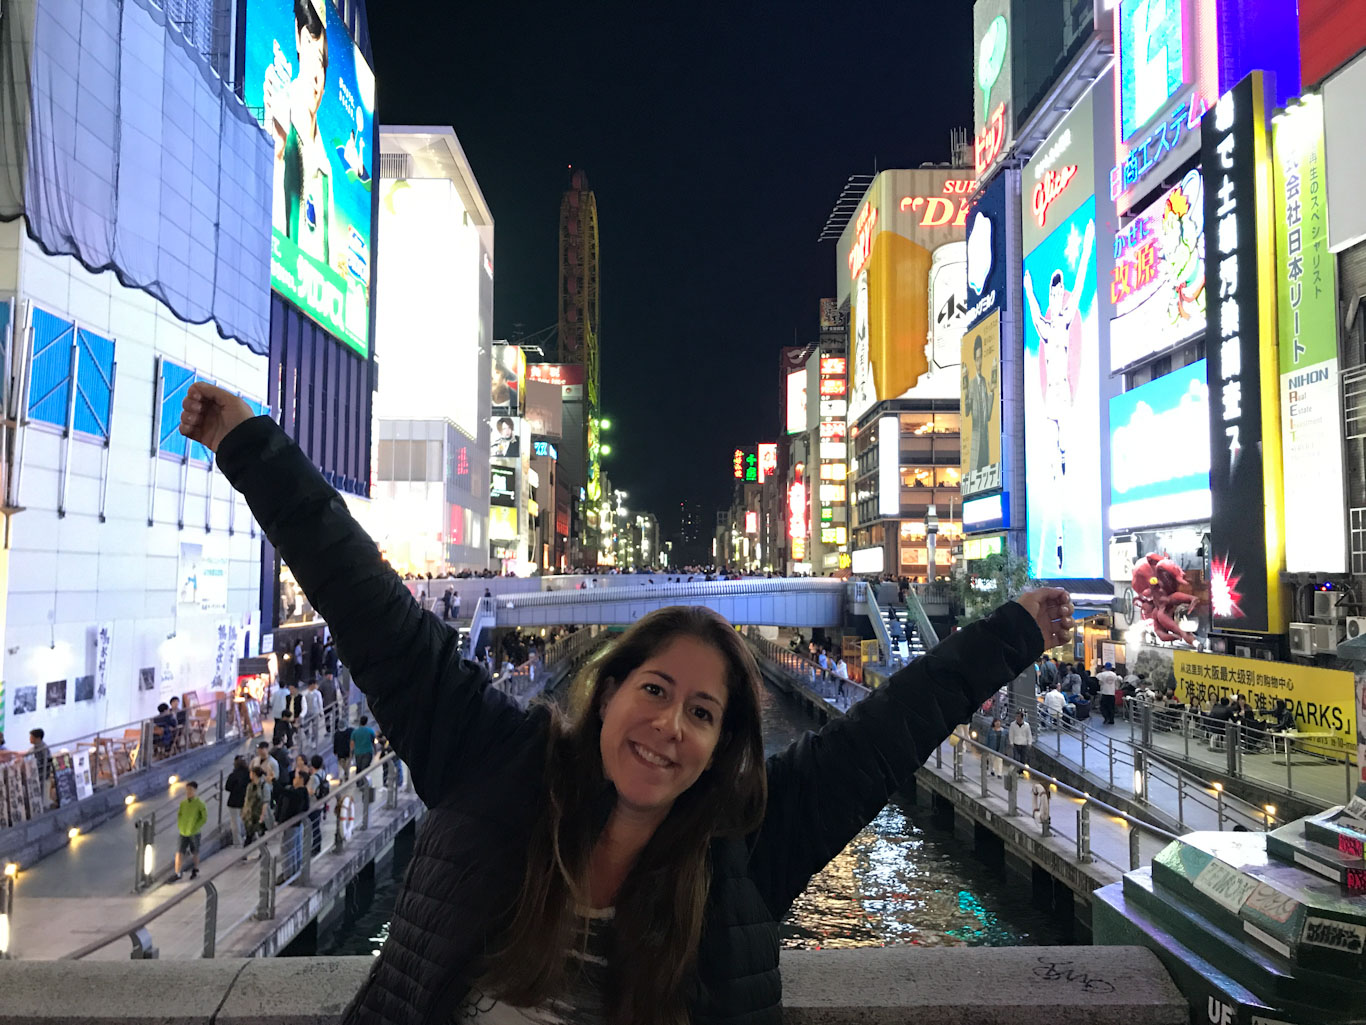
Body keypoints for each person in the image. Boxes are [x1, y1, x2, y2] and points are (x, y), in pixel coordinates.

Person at [178, 380, 1072, 1025]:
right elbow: (374, 613)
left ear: (721, 744)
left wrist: (1014, 632)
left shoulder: (747, 847)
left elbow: (883, 734)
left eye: (702, 713)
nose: (670, 726)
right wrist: (252, 445)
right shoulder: (494, 761)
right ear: (606, 693)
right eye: (655, 689)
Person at [1024, 217, 1096, 572]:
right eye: (1052, 294)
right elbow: (1033, 308)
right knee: (1054, 467)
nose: (1055, 297)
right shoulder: (1044, 324)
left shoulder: (1065, 319)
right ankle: (1058, 541)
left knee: (1064, 456)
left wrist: (1088, 244)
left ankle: (1065, 461)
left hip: (1064, 396)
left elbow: (1081, 281)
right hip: (1050, 401)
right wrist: (1027, 287)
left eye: (1057, 293)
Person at [264, 0, 335, 266]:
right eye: (313, 57)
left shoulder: (326, 166)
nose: (318, 76)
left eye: (322, 63)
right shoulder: (279, 119)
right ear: (298, 39)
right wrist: (277, 151)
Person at [170, 781, 207, 882]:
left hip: (194, 832)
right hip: (183, 831)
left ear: (195, 791)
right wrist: (180, 825)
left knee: (195, 851)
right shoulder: (183, 803)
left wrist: (195, 827)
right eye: (187, 790)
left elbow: (204, 818)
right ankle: (177, 872)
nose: (188, 792)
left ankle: (195, 869)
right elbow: (180, 815)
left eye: (190, 790)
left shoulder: (200, 804)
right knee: (179, 852)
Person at [225, 755, 250, 846]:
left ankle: (237, 842)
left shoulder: (233, 775)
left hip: (233, 801)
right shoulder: (249, 774)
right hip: (246, 800)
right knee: (247, 820)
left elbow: (227, 787)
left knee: (235, 822)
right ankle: (250, 837)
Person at [243, 766, 269, 846]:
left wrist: (262, 815)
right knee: (249, 834)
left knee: (260, 833)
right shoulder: (250, 786)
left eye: (251, 773)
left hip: (259, 813)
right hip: (250, 814)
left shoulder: (264, 786)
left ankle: (263, 850)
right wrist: (245, 812)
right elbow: (247, 800)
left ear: (254, 774)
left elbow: (266, 801)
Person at [28, 729, 52, 808]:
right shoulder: (35, 747)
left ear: (38, 738)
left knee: (44, 796)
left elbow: (47, 762)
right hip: (37, 774)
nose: (30, 739)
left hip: (43, 775)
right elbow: (28, 752)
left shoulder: (44, 748)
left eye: (31, 737)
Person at [302, 679, 325, 750]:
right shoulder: (305, 694)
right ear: (311, 685)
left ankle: (313, 741)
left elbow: (320, 703)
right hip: (307, 713)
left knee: (315, 728)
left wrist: (321, 712)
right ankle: (308, 737)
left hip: (315, 712)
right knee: (305, 727)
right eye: (315, 684)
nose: (316, 685)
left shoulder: (317, 693)